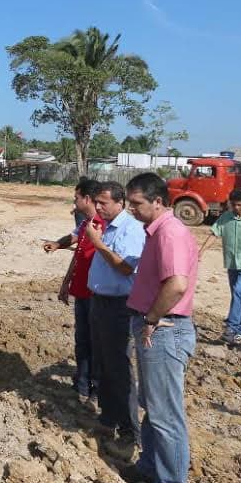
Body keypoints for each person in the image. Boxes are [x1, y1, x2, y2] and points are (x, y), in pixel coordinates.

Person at [122, 172, 199, 483]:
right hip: (158, 328)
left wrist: (152, 318)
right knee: (154, 407)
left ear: (158, 201)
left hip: (165, 330)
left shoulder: (169, 232)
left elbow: (177, 285)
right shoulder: (157, 231)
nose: (131, 209)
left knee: (166, 415)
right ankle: (150, 468)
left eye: (136, 203)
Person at [84, 181, 145, 460]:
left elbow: (124, 267)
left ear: (119, 203)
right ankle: (108, 420)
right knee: (104, 364)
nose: (97, 207)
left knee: (119, 369)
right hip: (99, 303)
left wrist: (98, 245)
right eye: (96, 202)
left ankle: (131, 433)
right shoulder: (102, 225)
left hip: (119, 307)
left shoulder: (131, 230)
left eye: (103, 203)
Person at [44, 178, 105, 403]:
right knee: (82, 341)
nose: (74, 201)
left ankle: (97, 389)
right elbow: (75, 243)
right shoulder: (86, 223)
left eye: (76, 197)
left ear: (87, 199)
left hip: (96, 295)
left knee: (96, 343)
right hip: (81, 292)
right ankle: (81, 385)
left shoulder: (104, 225)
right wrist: (65, 281)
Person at [200, 188, 241, 343]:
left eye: (239, 205)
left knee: (238, 291)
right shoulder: (225, 218)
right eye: (233, 205)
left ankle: (231, 327)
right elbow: (214, 234)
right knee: (238, 295)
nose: (236, 208)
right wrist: (201, 251)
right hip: (232, 262)